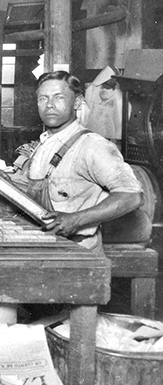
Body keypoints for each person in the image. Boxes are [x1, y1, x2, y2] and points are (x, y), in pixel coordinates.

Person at [14, 70, 142, 254]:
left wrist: (76, 219)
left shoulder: (91, 146)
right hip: (45, 246)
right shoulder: (44, 144)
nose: (49, 105)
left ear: (77, 102)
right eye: (43, 98)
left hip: (78, 251)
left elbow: (132, 196)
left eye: (58, 97)